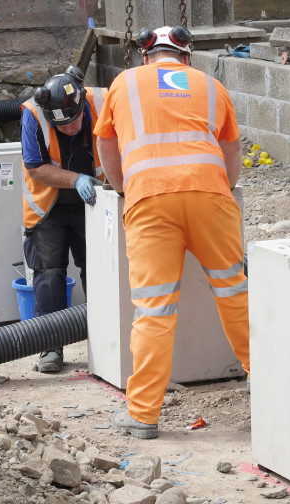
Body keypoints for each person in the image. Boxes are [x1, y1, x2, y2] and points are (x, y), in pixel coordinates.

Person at [93, 25, 248, 439]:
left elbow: (106, 147)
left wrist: (125, 188)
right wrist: (223, 191)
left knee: (154, 309)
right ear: (186, 57)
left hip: (149, 202)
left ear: (147, 57)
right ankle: (269, 384)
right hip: (210, 197)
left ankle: (143, 415)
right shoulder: (213, 87)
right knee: (233, 292)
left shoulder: (122, 84)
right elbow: (232, 151)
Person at [20, 66, 105, 373]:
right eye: (62, 126)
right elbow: (35, 167)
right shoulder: (34, 112)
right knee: (49, 273)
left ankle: (105, 340)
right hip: (50, 205)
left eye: (73, 123)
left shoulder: (103, 101)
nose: (68, 128)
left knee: (97, 271)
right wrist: (76, 179)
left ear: (81, 104)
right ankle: (49, 348)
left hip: (94, 202)